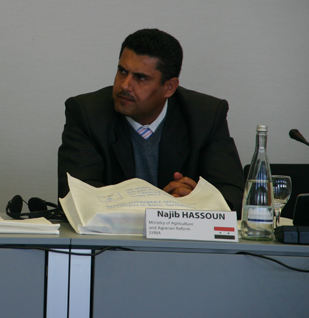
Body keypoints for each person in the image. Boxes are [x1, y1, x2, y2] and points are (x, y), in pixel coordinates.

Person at [58, 28, 244, 212]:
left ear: (169, 87)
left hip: (180, 232)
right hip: (114, 232)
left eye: (140, 78)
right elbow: (77, 196)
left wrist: (199, 200)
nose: (125, 85)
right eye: (122, 71)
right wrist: (161, 205)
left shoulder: (205, 116)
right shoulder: (87, 113)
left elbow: (233, 194)